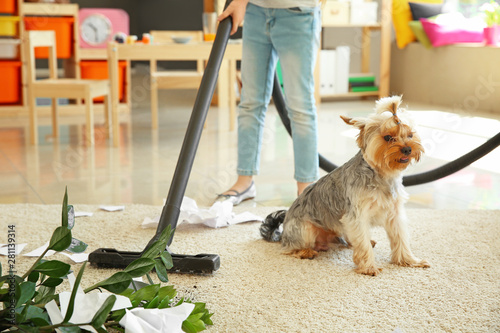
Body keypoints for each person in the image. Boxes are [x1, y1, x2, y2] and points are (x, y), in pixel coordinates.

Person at [216, 0, 322, 205]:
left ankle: (306, 189)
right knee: (250, 102)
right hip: (256, 11)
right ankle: (244, 181)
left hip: (298, 12)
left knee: (300, 106)